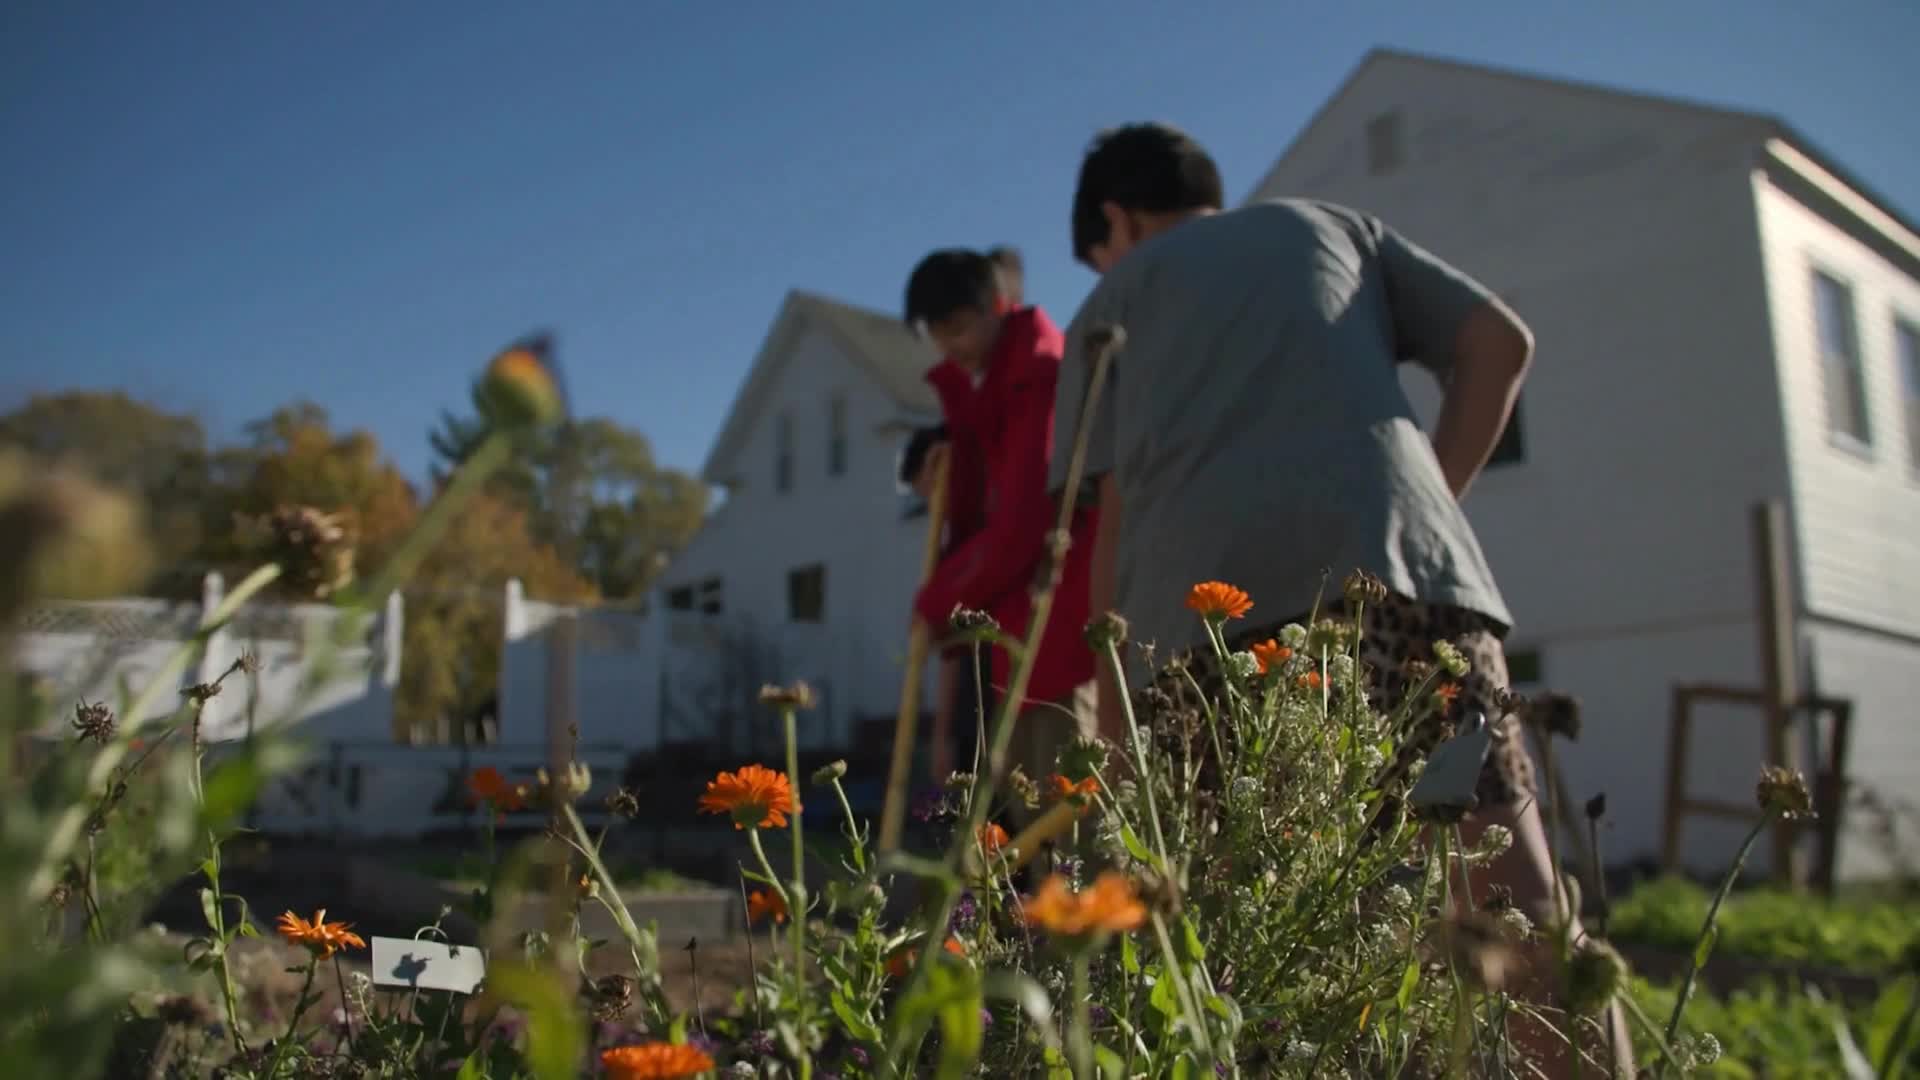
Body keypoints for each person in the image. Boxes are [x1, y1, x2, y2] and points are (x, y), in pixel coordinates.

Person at [1048, 121, 1630, 1076]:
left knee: (1255, 938)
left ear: (1115, 219)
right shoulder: (1329, 227)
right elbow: (1498, 342)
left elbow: (1113, 514)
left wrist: (1112, 723)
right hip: (1403, 593)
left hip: (1205, 641)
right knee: (1510, 896)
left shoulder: (1112, 304)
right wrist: (1425, 506)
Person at [900, 245, 1100, 837]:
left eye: (958, 327)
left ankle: (1096, 930)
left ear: (996, 304)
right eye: (938, 335)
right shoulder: (990, 388)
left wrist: (935, 604)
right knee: (1032, 822)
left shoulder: (1035, 377)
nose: (951, 347)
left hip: (1056, 624)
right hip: (1015, 631)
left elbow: (1019, 528)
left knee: (1068, 820)